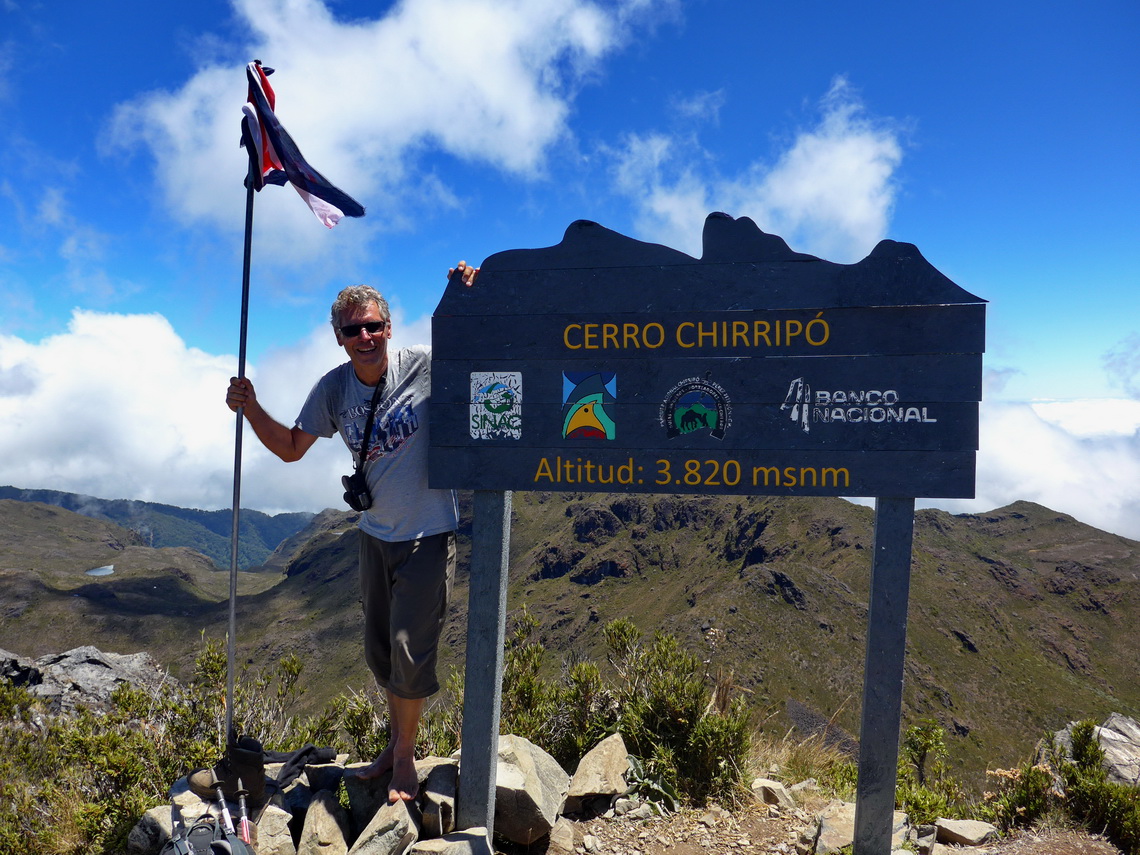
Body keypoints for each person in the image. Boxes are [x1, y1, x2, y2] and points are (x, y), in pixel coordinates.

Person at [225, 261, 478, 803]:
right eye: (352, 330)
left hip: (427, 534)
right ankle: (396, 744)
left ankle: (405, 760)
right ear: (338, 338)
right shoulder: (334, 389)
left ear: (388, 327)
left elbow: (484, 355)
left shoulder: (425, 368)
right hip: (374, 535)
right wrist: (250, 408)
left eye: (373, 326)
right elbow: (292, 448)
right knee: (382, 653)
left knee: (411, 651)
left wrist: (471, 293)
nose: (365, 337)